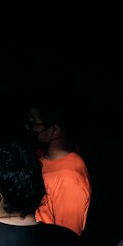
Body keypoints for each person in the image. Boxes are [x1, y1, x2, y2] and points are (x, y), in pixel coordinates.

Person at [26, 93, 92, 235]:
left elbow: (68, 240)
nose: (27, 128)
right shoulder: (39, 158)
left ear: (54, 130)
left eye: (33, 124)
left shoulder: (69, 179)